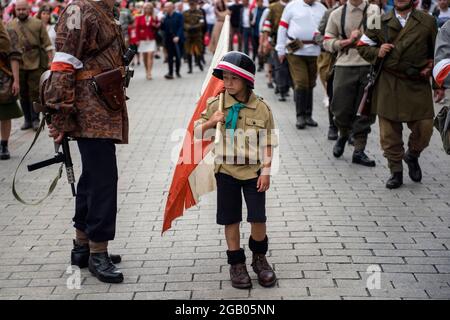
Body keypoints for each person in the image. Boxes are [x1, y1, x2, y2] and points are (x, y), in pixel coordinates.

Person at [44, 0, 129, 283]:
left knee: (93, 177)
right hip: (89, 110)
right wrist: (60, 115)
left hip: (103, 107)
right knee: (104, 180)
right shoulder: (79, 10)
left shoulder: (105, 8)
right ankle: (98, 253)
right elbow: (63, 63)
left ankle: (82, 246)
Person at [195, 51, 278, 289]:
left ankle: (260, 259)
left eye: (234, 78)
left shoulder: (261, 108)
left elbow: (268, 142)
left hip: (253, 172)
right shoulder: (216, 104)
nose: (228, 83)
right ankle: (236, 263)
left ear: (247, 81)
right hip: (227, 172)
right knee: (230, 218)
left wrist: (266, 171)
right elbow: (198, 132)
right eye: (225, 78)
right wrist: (213, 121)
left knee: (257, 218)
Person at [357, 0, 445, 189]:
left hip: (417, 82)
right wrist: (377, 51)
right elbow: (362, 45)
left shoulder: (428, 21)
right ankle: (395, 171)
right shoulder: (377, 20)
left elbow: (437, 54)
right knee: (389, 133)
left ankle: (412, 155)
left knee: (425, 128)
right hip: (389, 82)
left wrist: (438, 84)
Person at [324, 0, 380, 167]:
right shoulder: (337, 14)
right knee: (339, 108)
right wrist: (345, 42)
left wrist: (361, 38)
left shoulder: (373, 10)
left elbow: (377, 34)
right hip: (344, 65)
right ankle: (343, 134)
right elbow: (327, 41)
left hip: (367, 64)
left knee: (365, 110)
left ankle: (359, 150)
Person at [276, 0, 327, 129]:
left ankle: (308, 115)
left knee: (310, 83)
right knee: (301, 82)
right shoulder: (292, 6)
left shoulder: (322, 8)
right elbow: (282, 27)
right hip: (296, 51)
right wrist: (280, 49)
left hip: (315, 51)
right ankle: (300, 116)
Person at [7, 0, 53, 131]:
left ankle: (35, 119)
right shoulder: (10, 25)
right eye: (18, 9)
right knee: (22, 93)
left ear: (28, 9)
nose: (21, 12)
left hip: (36, 62)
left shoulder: (37, 23)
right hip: (18, 63)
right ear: (15, 10)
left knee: (35, 92)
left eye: (23, 9)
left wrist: (51, 61)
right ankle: (27, 119)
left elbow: (47, 44)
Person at [0, 18, 22, 160]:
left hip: (3, 79)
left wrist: (16, 80)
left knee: (5, 114)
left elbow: (14, 57)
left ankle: (4, 145)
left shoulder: (9, 32)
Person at [262, 0, 291, 101]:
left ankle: (286, 87)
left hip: (292, 42)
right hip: (277, 41)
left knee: (289, 67)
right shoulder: (273, 7)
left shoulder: (295, 5)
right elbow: (267, 25)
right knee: (280, 66)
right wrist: (266, 41)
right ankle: (281, 89)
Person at [136, 2, 160, 79]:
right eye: (146, 8)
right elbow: (137, 29)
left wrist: (155, 26)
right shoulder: (139, 17)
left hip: (151, 39)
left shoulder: (154, 17)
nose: (148, 9)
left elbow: (157, 28)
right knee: (144, 57)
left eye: (149, 8)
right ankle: (146, 70)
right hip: (142, 39)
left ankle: (149, 72)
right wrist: (137, 39)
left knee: (150, 55)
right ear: (144, 9)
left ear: (152, 9)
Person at [161, 1, 184, 79]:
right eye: (165, 7)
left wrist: (178, 36)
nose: (165, 8)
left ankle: (177, 71)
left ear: (171, 7)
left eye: (167, 7)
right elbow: (163, 28)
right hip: (169, 39)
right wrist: (161, 22)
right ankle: (170, 73)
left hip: (177, 39)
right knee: (170, 57)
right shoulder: (165, 17)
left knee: (178, 56)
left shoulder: (179, 15)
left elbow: (181, 27)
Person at [183, 0, 205, 73]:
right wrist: (189, 27)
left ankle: (199, 62)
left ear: (196, 4)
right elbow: (183, 23)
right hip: (188, 35)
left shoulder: (200, 12)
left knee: (199, 50)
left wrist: (194, 27)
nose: (192, 6)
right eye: (191, 4)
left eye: (193, 4)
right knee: (188, 51)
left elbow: (202, 22)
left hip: (197, 34)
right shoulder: (185, 13)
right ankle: (190, 68)